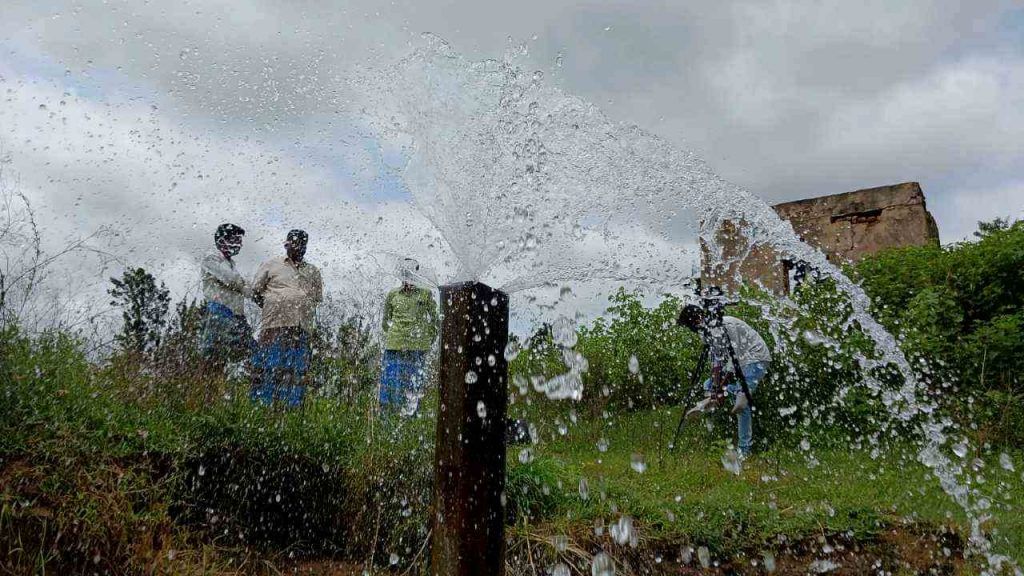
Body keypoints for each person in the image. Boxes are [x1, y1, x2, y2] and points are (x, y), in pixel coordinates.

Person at [677, 303, 771, 457]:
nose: (693, 329)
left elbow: (736, 359)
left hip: (755, 358)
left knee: (742, 404)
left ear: (698, 318)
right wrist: (715, 388)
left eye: (691, 325)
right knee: (708, 384)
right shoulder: (707, 332)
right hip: (741, 362)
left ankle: (744, 451)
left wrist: (721, 386)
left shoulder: (727, 325)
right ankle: (719, 397)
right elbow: (716, 362)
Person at [250, 229, 323, 408]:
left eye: (301, 244)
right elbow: (255, 292)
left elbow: (316, 299)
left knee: (296, 369)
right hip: (274, 325)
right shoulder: (271, 265)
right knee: (269, 365)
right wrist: (273, 305)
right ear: (286, 244)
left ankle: (291, 408)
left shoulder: (313, 271)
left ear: (306, 247)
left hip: (301, 327)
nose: (297, 247)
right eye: (294, 243)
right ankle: (263, 407)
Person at [379, 258, 438, 413]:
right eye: (405, 273)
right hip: (394, 346)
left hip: (417, 347)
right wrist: (395, 335)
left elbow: (435, 319)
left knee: (413, 382)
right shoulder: (393, 294)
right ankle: (388, 413)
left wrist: (429, 338)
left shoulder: (425, 293)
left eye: (411, 273)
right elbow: (386, 322)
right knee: (390, 380)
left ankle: (411, 416)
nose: (408, 277)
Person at [199, 223, 253, 384]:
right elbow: (230, 279)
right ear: (223, 240)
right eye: (236, 240)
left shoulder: (231, 264)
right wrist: (245, 286)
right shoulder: (211, 257)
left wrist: (253, 291)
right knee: (213, 357)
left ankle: (217, 391)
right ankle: (204, 394)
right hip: (219, 312)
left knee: (228, 356)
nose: (240, 245)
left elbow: (243, 286)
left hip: (235, 315)